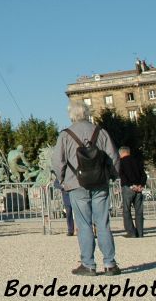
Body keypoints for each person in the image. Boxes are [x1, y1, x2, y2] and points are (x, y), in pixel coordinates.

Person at [51, 100, 121, 277]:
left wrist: (63, 180)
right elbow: (113, 157)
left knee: (84, 225)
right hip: (100, 183)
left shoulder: (66, 135)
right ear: (87, 113)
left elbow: (57, 162)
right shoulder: (101, 132)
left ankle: (88, 264)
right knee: (103, 223)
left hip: (76, 183)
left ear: (71, 115)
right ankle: (110, 263)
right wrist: (112, 176)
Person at [118, 147, 146, 238]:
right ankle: (140, 232)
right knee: (139, 211)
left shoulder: (121, 162)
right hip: (139, 188)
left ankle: (131, 232)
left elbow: (123, 175)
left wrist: (131, 185)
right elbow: (143, 174)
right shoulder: (137, 160)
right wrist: (141, 185)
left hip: (128, 188)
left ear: (121, 153)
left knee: (126, 210)